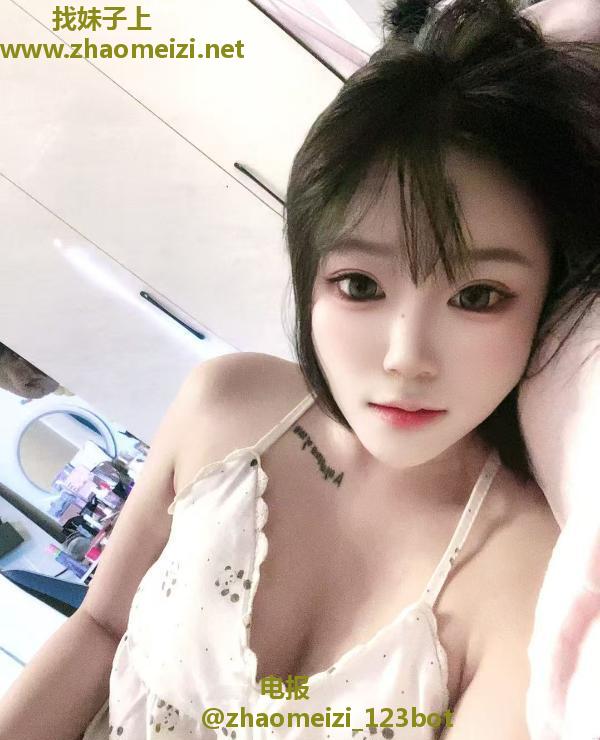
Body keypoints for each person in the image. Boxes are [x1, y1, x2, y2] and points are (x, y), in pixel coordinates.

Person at [1, 0, 599, 738]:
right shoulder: (227, 402)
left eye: (477, 296)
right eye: (360, 285)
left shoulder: (528, 573)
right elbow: (101, 627)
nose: (406, 357)